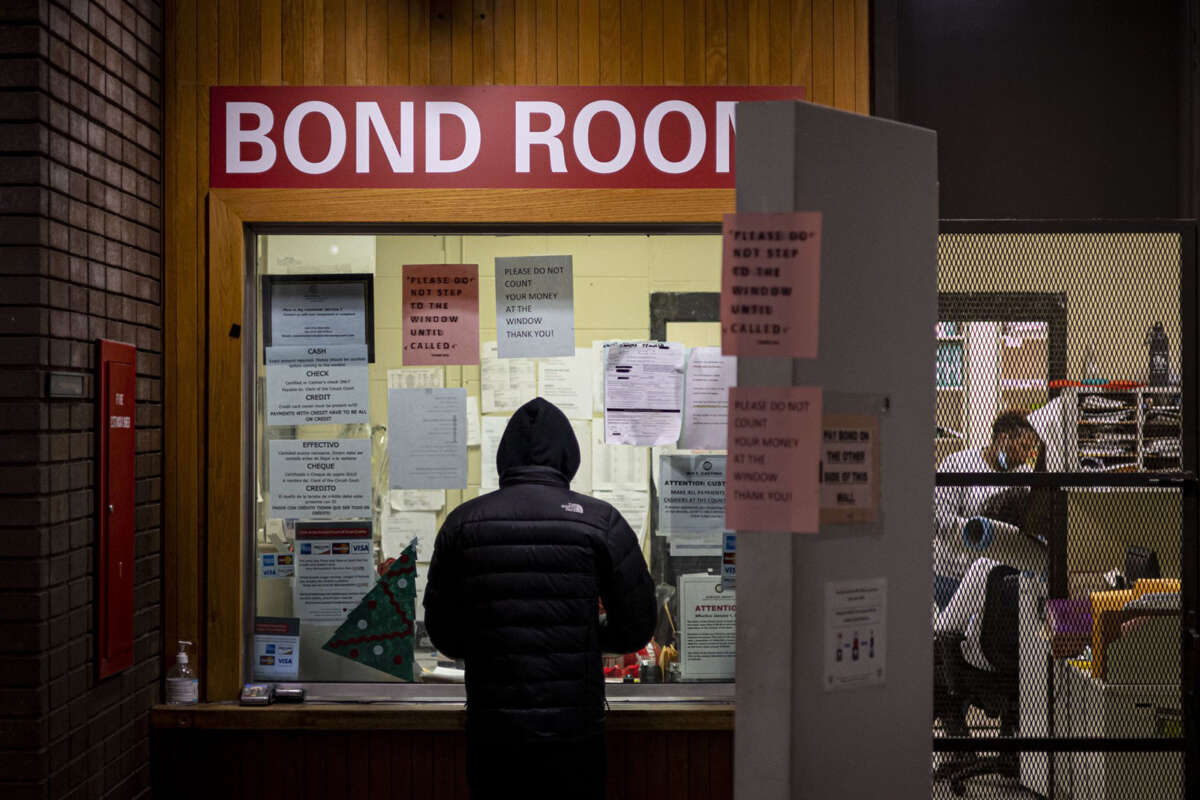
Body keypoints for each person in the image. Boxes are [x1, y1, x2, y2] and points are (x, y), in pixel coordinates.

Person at [423, 397, 656, 800]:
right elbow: (635, 626)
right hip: (574, 729)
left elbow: (443, 633)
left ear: (504, 456)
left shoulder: (463, 522)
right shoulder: (601, 521)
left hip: (493, 729)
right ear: (570, 456)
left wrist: (488, 644)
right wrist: (584, 639)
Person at [934, 410, 1041, 611]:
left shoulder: (1024, 474)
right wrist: (977, 533)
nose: (1026, 456)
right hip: (952, 576)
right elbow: (939, 520)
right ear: (1003, 439)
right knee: (952, 634)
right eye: (1024, 447)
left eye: (1031, 449)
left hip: (996, 576)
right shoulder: (958, 464)